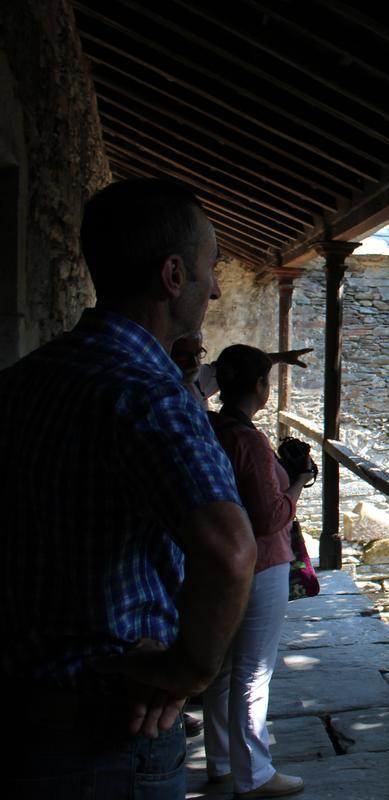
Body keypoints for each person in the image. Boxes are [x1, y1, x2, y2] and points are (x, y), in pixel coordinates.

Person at [0, 178, 257, 797]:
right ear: (173, 275)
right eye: (209, 268)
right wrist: (183, 673)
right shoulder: (150, 397)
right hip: (107, 728)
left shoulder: (21, 381)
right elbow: (229, 551)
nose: (217, 286)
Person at [203, 344, 313, 798]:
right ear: (260, 388)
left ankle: (223, 760)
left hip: (223, 557)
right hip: (262, 560)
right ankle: (256, 775)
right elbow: (270, 516)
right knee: (253, 670)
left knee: (225, 666)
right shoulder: (247, 439)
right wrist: (298, 482)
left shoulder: (211, 422)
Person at [170, 332, 313, 407]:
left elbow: (245, 364)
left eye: (198, 353)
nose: (195, 362)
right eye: (184, 355)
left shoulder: (198, 377)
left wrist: (282, 357)